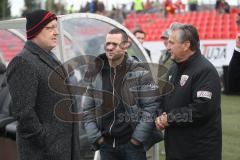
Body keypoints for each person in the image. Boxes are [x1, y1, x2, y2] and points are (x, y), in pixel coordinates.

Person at [6, 9, 80, 160]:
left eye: (56, 27)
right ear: (35, 31)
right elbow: (24, 113)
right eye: (49, 28)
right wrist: (46, 140)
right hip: (45, 152)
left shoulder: (49, 57)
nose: (56, 32)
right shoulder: (23, 61)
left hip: (62, 148)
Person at [82, 28, 162, 160]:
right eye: (108, 43)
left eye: (115, 44)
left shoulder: (140, 72)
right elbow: (87, 109)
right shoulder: (97, 73)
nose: (110, 47)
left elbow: (151, 108)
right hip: (106, 146)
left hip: (132, 147)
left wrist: (137, 140)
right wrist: (97, 138)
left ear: (125, 46)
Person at [155, 24, 222, 160]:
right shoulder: (173, 69)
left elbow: (201, 109)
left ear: (186, 45)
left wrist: (170, 118)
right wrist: (159, 116)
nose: (168, 47)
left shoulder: (205, 71)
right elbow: (163, 98)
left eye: (172, 43)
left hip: (198, 151)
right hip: (175, 148)